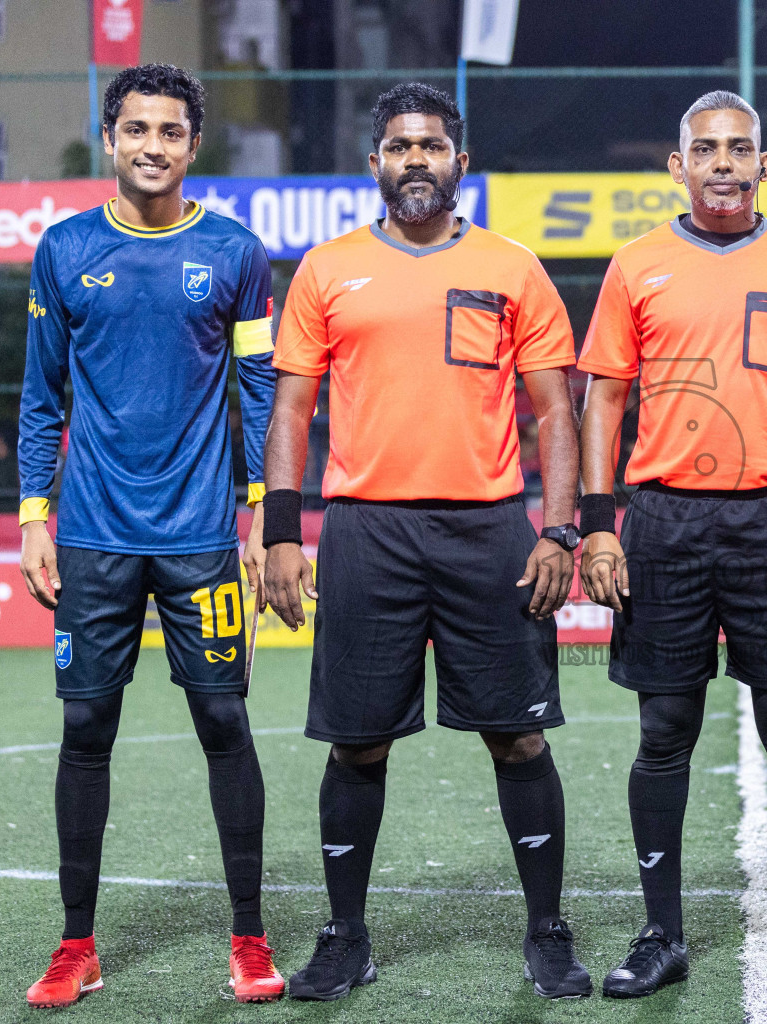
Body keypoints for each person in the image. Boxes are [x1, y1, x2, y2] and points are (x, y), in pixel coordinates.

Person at [260, 83, 588, 1001]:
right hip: (368, 529)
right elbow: (292, 408)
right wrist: (282, 531)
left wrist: (559, 527)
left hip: (489, 528)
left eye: (432, 146)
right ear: (375, 163)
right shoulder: (327, 270)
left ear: (460, 162)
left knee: (518, 738)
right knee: (357, 744)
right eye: (400, 146)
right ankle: (345, 935)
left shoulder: (514, 268)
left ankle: (547, 931)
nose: (416, 159)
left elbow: (555, 412)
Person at [577, 89, 767, 1001]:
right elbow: (605, 403)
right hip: (664, 520)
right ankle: (660, 933)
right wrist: (597, 520)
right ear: (678, 165)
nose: (722, 164)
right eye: (704, 149)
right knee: (664, 730)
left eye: (739, 149)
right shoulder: (636, 266)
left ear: (764, 165)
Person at [17, 64, 283, 1007]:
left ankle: (249, 940)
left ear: (192, 145)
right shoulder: (65, 250)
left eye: (170, 131)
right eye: (137, 129)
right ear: (112, 136)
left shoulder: (238, 254)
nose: (153, 146)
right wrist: (33, 516)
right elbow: (40, 397)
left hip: (204, 535)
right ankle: (76, 943)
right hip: (91, 536)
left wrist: (259, 516)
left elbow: (261, 391)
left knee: (223, 720)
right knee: (87, 726)